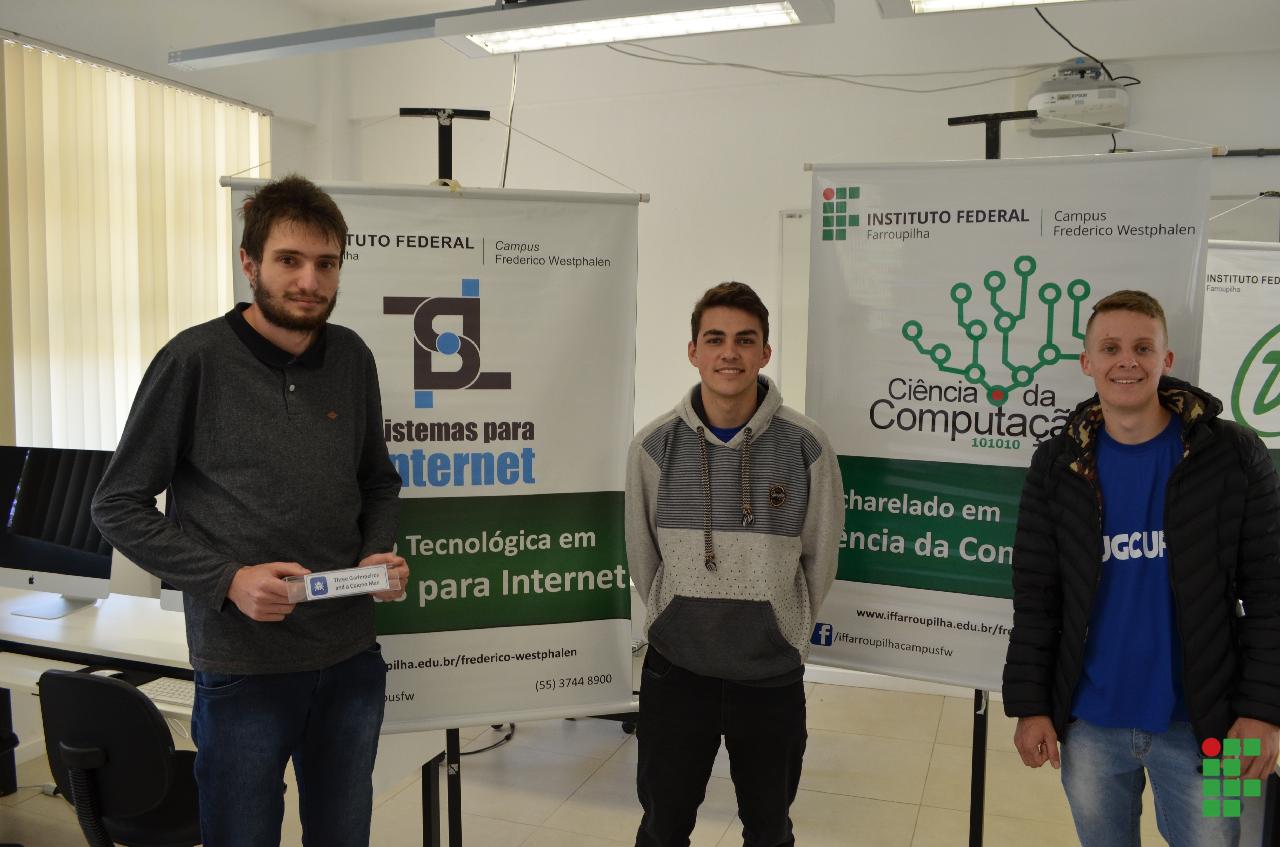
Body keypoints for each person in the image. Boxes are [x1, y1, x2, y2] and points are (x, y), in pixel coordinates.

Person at [92, 174, 408, 847]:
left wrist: (376, 552)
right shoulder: (194, 360)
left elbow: (378, 482)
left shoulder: (351, 356)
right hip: (244, 667)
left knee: (344, 834)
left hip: (350, 658)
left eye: (326, 263)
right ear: (249, 263)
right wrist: (229, 579)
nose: (309, 281)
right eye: (289, 260)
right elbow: (116, 504)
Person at [1002, 289, 1280, 846]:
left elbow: (1271, 591)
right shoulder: (1057, 463)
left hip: (1212, 727)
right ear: (1087, 362)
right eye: (1110, 348)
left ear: (1166, 359)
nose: (1126, 361)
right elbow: (1037, 596)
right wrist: (1031, 707)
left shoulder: (1234, 454)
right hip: (1088, 727)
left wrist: (1264, 711)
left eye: (1142, 348)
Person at [625, 281, 842, 847]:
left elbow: (819, 557)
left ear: (765, 353)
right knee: (663, 829)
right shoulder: (652, 446)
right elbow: (643, 557)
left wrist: (782, 628)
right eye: (715, 339)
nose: (730, 353)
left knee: (769, 831)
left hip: (770, 675)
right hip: (676, 672)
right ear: (693, 351)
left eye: (745, 340)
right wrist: (676, 616)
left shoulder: (807, 445)